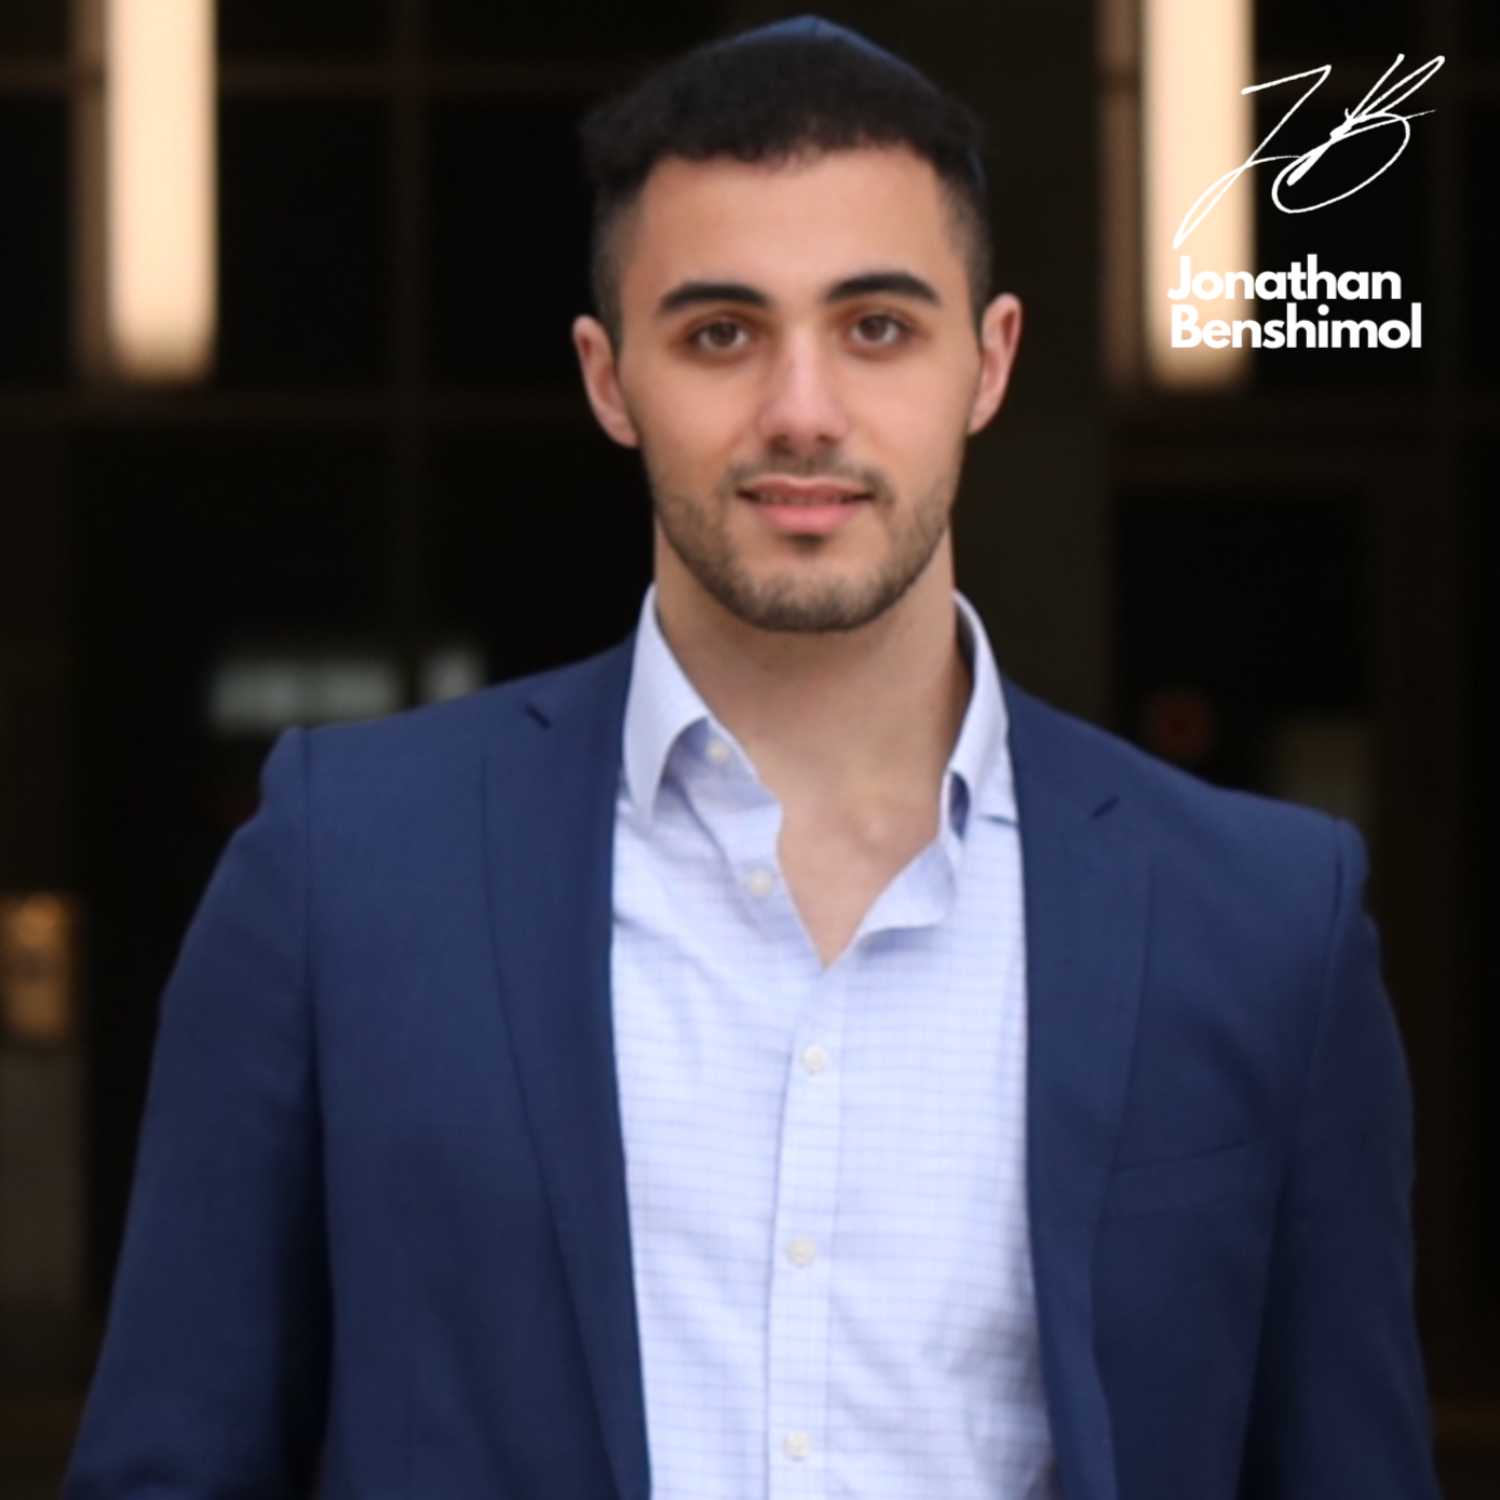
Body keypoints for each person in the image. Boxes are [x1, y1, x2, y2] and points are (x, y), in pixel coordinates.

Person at [65, 16, 1440, 1500]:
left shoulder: (1264, 918)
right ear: (609, 378)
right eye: (721, 333)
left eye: (877, 327)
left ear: (989, 362)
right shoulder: (342, 866)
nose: (802, 412)